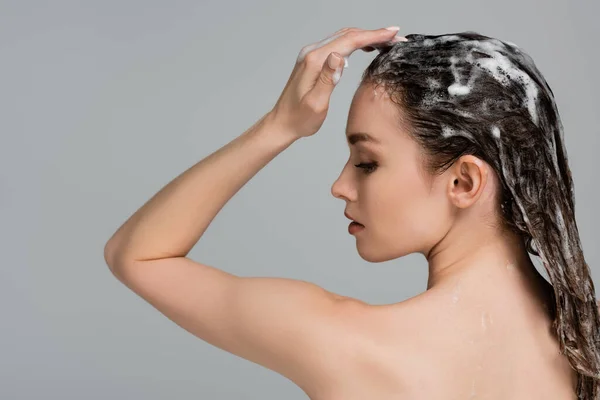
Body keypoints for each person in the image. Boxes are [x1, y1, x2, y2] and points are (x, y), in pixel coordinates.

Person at [104, 27, 598, 399]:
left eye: (367, 163)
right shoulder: (588, 346)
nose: (340, 186)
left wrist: (279, 126)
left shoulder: (349, 343)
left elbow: (138, 256)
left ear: (462, 182)